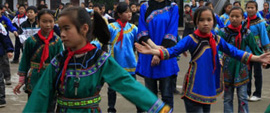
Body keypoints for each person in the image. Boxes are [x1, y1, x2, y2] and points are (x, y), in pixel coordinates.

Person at [23, 7, 171, 112]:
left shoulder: (99, 59)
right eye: (60, 29)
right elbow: (40, 94)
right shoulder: (59, 61)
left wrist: (158, 108)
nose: (61, 34)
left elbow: (127, 84)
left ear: (84, 28)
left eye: (67, 29)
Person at [135, 6, 270, 113]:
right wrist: (155, 51)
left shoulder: (216, 39)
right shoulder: (190, 39)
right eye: (201, 20)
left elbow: (234, 52)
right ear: (196, 22)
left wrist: (257, 58)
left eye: (209, 20)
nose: (205, 23)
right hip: (194, 87)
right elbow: (172, 51)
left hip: (208, 88)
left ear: (213, 22)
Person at [136, 0, 179, 110]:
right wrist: (155, 50)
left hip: (165, 56)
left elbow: (171, 34)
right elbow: (142, 32)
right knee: (150, 95)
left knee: (167, 95)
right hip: (149, 55)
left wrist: (158, 53)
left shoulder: (173, 7)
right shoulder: (145, 7)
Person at [218, 6, 263, 113]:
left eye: (237, 16)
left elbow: (255, 49)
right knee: (228, 98)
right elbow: (218, 47)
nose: (234, 19)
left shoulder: (247, 33)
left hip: (242, 68)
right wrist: (219, 58)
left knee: (243, 97)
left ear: (243, 18)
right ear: (229, 17)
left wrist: (263, 59)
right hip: (227, 68)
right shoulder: (223, 32)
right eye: (232, 16)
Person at [13, 9, 63, 99]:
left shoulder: (57, 41)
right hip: (34, 77)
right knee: (34, 103)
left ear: (54, 22)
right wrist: (21, 80)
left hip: (51, 76)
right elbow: (25, 59)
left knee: (50, 104)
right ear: (38, 22)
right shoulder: (31, 41)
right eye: (44, 21)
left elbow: (60, 62)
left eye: (50, 21)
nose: (48, 25)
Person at [107, 2, 141, 112]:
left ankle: (140, 109)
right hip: (115, 63)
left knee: (133, 88)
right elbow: (101, 40)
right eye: (126, 12)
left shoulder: (133, 28)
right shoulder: (111, 27)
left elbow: (141, 42)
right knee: (112, 88)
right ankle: (111, 108)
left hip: (130, 63)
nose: (129, 14)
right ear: (119, 14)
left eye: (130, 11)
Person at [243, 0, 270, 102]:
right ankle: (246, 92)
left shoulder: (260, 23)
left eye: (252, 8)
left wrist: (266, 54)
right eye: (248, 7)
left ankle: (257, 94)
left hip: (258, 52)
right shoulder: (244, 22)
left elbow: (264, 37)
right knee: (247, 73)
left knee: (257, 74)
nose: (250, 9)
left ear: (256, 9)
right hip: (246, 52)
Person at [0, 3, 18, 85]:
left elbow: (10, 26)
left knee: (5, 61)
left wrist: (14, 30)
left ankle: (7, 77)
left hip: (3, 43)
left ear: (1, 10)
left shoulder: (5, 19)